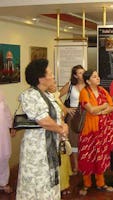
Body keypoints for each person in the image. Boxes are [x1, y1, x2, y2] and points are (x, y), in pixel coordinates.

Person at [16, 59, 69, 200]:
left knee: (49, 180)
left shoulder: (48, 95)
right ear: (41, 78)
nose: (53, 76)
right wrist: (61, 129)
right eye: (50, 73)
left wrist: (63, 125)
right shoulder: (30, 95)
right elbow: (44, 121)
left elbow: (58, 115)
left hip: (50, 146)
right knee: (36, 182)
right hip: (37, 149)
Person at [78, 70, 113, 195]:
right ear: (88, 81)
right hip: (88, 130)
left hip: (102, 130)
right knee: (87, 157)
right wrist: (103, 106)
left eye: (98, 75)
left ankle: (101, 183)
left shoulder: (103, 91)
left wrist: (102, 110)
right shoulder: (84, 92)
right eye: (94, 76)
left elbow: (112, 107)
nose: (98, 78)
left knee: (101, 157)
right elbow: (91, 110)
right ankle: (86, 184)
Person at [60, 65, 85, 175]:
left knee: (85, 140)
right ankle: (76, 166)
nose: (82, 74)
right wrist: (66, 109)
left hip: (86, 114)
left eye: (83, 72)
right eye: (79, 73)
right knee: (74, 140)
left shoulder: (89, 84)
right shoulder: (70, 85)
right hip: (73, 115)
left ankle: (85, 165)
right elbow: (56, 96)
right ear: (75, 75)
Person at [48, 82, 73, 196]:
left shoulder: (55, 96)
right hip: (55, 132)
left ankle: (64, 185)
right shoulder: (47, 98)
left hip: (62, 132)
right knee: (58, 161)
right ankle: (59, 186)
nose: (55, 82)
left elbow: (63, 90)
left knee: (63, 159)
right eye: (52, 80)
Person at [0, 90, 16, 194]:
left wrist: (12, 126)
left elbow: (6, 111)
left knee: (4, 155)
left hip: (2, 132)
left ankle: (3, 183)